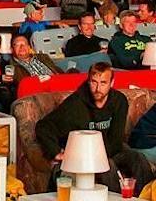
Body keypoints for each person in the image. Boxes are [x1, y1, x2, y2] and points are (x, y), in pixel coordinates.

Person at [35, 63, 153, 193]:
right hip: (84, 152)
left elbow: (116, 139)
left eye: (103, 83)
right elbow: (43, 126)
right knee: (107, 166)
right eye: (94, 82)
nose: (98, 88)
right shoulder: (75, 103)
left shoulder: (119, 101)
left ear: (111, 83)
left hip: (110, 148)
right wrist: (56, 152)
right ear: (88, 81)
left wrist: (104, 155)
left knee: (138, 158)